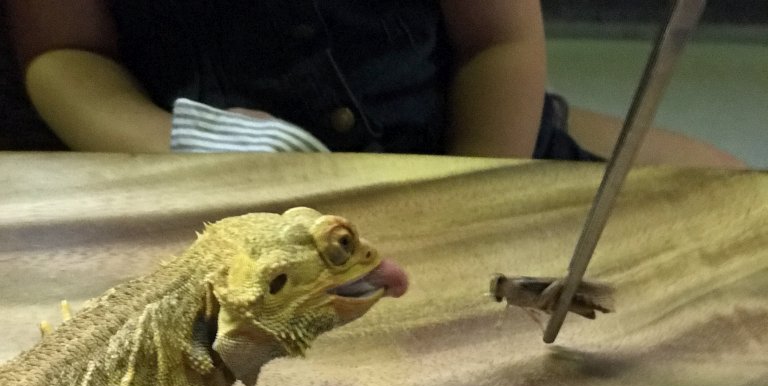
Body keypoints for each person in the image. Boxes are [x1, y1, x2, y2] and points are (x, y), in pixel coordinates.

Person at [7, 0, 744, 166]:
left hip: (457, 145)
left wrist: (469, 196)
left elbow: (499, 44)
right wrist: (172, 142)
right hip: (184, 179)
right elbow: (63, 52)